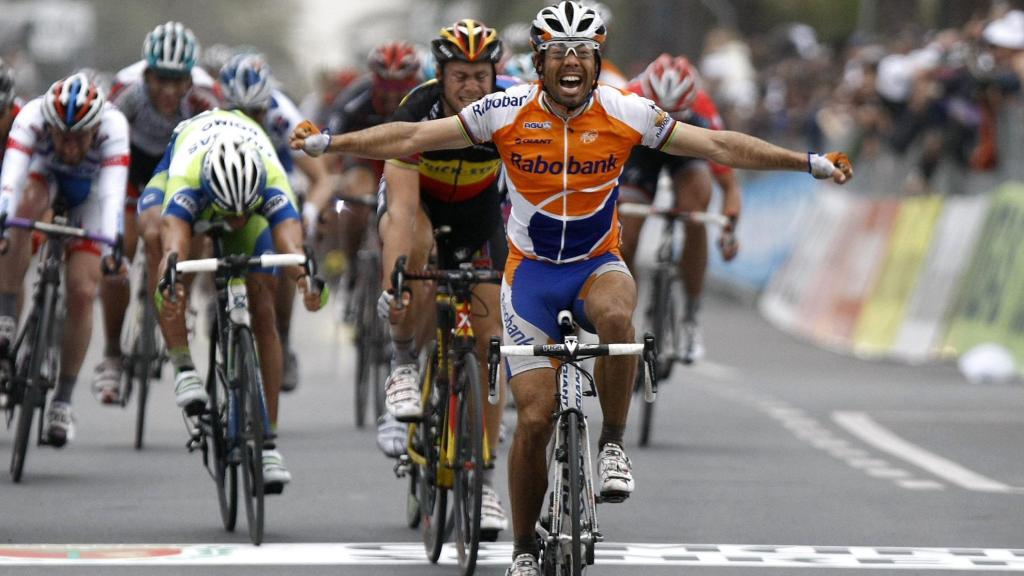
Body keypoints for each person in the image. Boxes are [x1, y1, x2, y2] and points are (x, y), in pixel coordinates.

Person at [289, 2, 852, 574]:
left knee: (618, 318)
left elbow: (719, 146)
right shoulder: (504, 110)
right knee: (534, 420)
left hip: (594, 264)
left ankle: (612, 445)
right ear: (539, 62)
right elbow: (412, 134)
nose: (572, 61)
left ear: (597, 60)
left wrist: (809, 162)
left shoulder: (625, 111)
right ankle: (523, 549)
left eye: (583, 51)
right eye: (558, 52)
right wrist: (328, 143)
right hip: (530, 278)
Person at [375, 18, 511, 534]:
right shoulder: (417, 111)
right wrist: (396, 282)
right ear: (441, 76)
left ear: (494, 75)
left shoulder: (512, 110)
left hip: (479, 214)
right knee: (417, 253)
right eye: (460, 76)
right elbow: (402, 213)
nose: (471, 86)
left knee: (492, 342)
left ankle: (487, 480)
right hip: (421, 206)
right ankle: (403, 365)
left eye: (480, 75)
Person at [153, 109, 325, 490]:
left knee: (263, 307)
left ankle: (268, 444)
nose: (236, 220)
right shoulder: (187, 179)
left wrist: (307, 281)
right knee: (158, 240)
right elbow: (173, 246)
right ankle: (182, 366)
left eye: (244, 212)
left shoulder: (272, 179)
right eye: (231, 215)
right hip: (190, 162)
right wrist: (172, 281)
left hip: (248, 172)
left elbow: (291, 245)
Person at [92, 21, 220, 403]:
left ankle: (184, 298)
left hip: (180, 171)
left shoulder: (206, 96)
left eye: (177, 81)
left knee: (193, 233)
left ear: (189, 79)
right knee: (119, 254)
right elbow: (100, 144)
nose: (168, 90)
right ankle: (112, 355)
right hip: (134, 171)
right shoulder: (126, 91)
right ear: (146, 74)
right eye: (160, 80)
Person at [0, 73, 129, 446]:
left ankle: (63, 400)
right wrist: (4, 221)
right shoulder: (32, 116)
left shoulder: (114, 126)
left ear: (95, 130)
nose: (70, 146)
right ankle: (6, 317)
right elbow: (11, 177)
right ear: (49, 126)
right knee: (22, 208)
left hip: (91, 195)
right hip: (46, 179)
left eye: (79, 138)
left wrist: (113, 248)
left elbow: (112, 193)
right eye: (61, 136)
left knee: (82, 292)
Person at [218, 52, 333, 392]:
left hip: (276, 183)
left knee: (286, 254)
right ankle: (213, 300)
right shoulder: (210, 111)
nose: (250, 122)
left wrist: (309, 213)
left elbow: (322, 178)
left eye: (257, 112)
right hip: (228, 184)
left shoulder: (286, 117)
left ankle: (282, 335)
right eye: (240, 113)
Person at [619, 53, 742, 363]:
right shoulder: (626, 98)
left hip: (684, 151)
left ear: (691, 102)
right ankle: (623, 316)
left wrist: (729, 228)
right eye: (663, 113)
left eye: (677, 114)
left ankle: (690, 315)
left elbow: (729, 184)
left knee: (695, 210)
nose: (669, 120)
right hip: (640, 153)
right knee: (625, 237)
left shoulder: (703, 107)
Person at [325, 41, 421, 306]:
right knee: (356, 197)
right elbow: (329, 142)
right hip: (366, 162)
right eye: (385, 86)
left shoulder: (426, 95)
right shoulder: (356, 96)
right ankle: (351, 266)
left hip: (409, 162)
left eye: (400, 87)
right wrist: (330, 179)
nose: (392, 95)